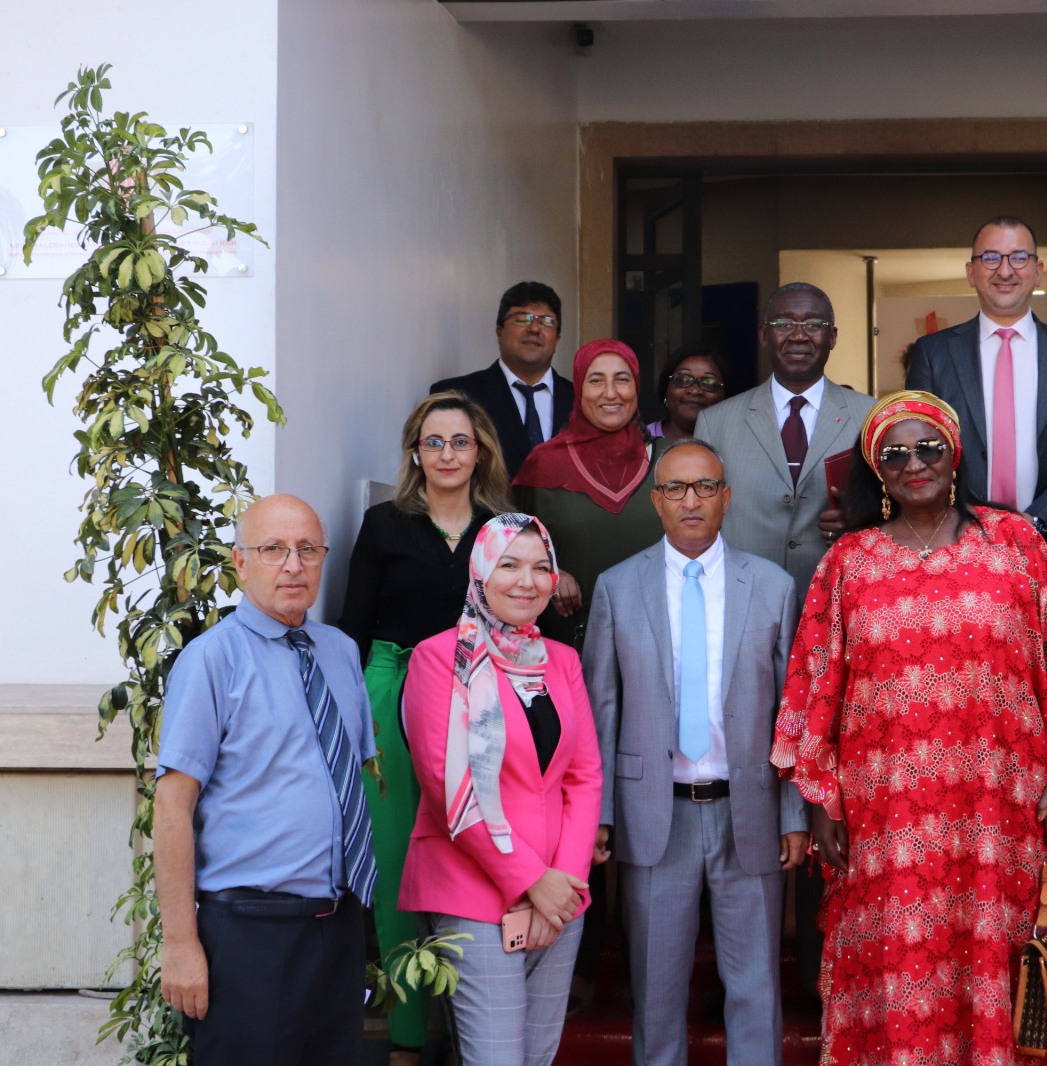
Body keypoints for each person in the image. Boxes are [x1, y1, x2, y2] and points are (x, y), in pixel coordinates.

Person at [771, 390, 1047, 1064]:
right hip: (884, 813)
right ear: (874, 467)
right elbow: (815, 684)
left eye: (929, 448)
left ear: (955, 456)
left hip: (999, 808)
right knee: (897, 964)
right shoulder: (848, 563)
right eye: (895, 452)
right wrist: (822, 800)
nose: (913, 462)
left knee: (998, 957)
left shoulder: (1016, 543)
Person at [584, 438, 806, 1066]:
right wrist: (600, 812)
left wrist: (794, 814)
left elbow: (792, 715)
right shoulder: (617, 587)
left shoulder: (772, 586)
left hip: (750, 810)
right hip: (656, 814)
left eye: (705, 487)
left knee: (755, 989)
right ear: (655, 501)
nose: (691, 500)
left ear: (727, 498)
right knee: (655, 994)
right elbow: (603, 711)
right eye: (676, 488)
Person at [694, 281, 875, 998]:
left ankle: (824, 960)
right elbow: (698, 513)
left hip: (844, 625)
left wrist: (857, 523)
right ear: (766, 335)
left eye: (813, 324)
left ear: (832, 337)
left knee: (832, 787)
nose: (799, 333)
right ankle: (741, 964)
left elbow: (898, 501)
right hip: (741, 625)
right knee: (747, 774)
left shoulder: (866, 414)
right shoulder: (717, 420)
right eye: (785, 322)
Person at [154, 494, 376, 1065]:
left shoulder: (342, 652)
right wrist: (179, 943)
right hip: (250, 933)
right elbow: (172, 804)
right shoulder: (211, 660)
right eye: (273, 549)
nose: (293, 565)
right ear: (240, 562)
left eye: (307, 549)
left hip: (338, 925)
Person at [337, 391, 513, 1065]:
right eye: (433, 442)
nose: (446, 454)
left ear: (481, 451)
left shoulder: (505, 525)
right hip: (392, 692)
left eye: (459, 442)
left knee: (481, 848)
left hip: (483, 692)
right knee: (398, 860)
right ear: (415, 451)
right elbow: (352, 631)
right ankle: (410, 1037)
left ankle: (481, 1025)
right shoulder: (385, 524)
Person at [398, 514, 603, 1065]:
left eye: (541, 567)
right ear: (481, 571)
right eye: (509, 564)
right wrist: (530, 880)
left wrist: (564, 882)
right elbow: (449, 789)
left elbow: (583, 777)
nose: (526, 580)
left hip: (559, 893)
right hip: (472, 891)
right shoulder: (438, 657)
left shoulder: (561, 661)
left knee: (537, 1057)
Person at [905, 214, 1047, 534]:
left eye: (1018, 258)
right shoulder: (934, 353)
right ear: (971, 273)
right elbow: (918, 448)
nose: (1004, 270)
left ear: (1038, 271)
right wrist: (968, 521)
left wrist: (1035, 520)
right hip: (957, 539)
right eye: (990, 258)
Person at [512, 338, 663, 652]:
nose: (610, 393)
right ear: (580, 388)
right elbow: (508, 544)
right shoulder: (544, 464)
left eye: (622, 379)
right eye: (596, 380)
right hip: (569, 643)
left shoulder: (670, 462)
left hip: (659, 641)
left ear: (636, 388)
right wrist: (548, 571)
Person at [432, 281, 575, 479]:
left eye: (546, 321)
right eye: (522, 319)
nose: (534, 328)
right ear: (499, 331)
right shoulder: (456, 394)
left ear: (557, 338)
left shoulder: (580, 401)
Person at [645, 344, 729, 442]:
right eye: (682, 379)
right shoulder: (640, 441)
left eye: (708, 383)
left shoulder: (734, 444)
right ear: (665, 390)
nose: (695, 391)